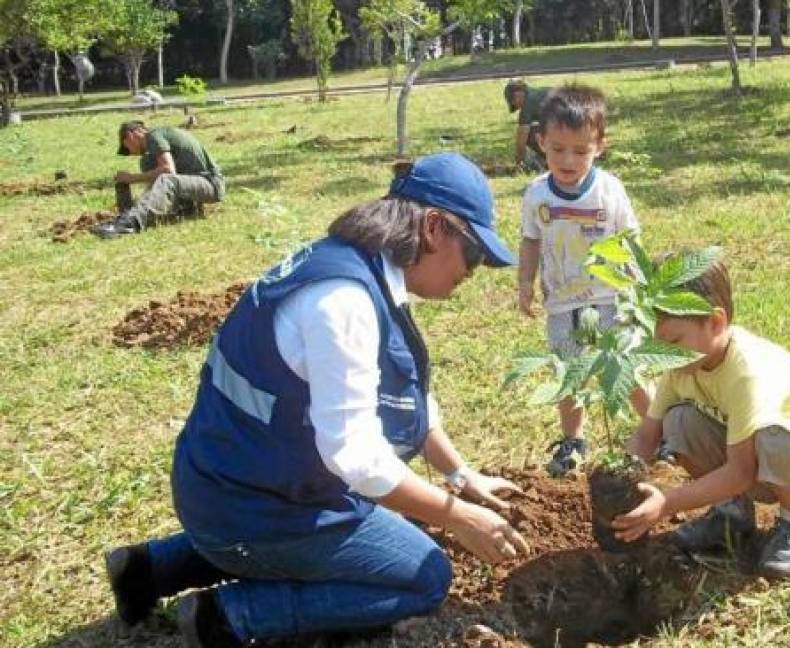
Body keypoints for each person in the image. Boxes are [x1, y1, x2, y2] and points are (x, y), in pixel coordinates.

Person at [103, 153, 531, 646]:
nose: (473, 272)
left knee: (371, 512)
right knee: (425, 574)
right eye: (474, 254)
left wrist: (459, 474)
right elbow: (356, 458)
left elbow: (396, 391)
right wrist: (459, 516)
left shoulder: (350, 267)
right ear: (433, 229)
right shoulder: (344, 302)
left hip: (225, 480)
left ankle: (147, 569)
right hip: (247, 505)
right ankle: (229, 616)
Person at [611, 260, 790, 578]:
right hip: (750, 455)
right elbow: (647, 435)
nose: (663, 354)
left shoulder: (746, 371)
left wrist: (666, 503)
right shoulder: (681, 368)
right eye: (657, 344)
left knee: (775, 439)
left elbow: (741, 472)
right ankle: (732, 512)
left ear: (715, 322)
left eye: (672, 343)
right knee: (679, 422)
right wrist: (621, 480)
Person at [517, 84, 650, 477]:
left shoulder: (610, 191)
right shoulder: (537, 194)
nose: (568, 160)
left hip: (610, 296)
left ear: (600, 146)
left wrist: (638, 283)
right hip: (561, 301)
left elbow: (630, 239)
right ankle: (573, 441)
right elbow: (530, 239)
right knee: (568, 373)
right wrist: (524, 282)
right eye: (557, 149)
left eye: (580, 150)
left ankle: (661, 431)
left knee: (625, 366)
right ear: (540, 142)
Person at [93, 121, 225, 239]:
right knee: (147, 164)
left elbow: (168, 170)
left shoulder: (153, 135)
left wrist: (132, 178)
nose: (130, 152)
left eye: (126, 147)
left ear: (131, 135)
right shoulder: (151, 150)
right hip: (194, 185)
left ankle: (130, 223)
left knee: (166, 179)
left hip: (210, 184)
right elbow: (158, 186)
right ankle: (127, 215)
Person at [504, 79, 551, 172]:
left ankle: (551, 160)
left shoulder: (527, 104)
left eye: (514, 103)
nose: (518, 108)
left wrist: (518, 162)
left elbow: (521, 140)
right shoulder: (539, 93)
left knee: (529, 135)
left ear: (518, 94)